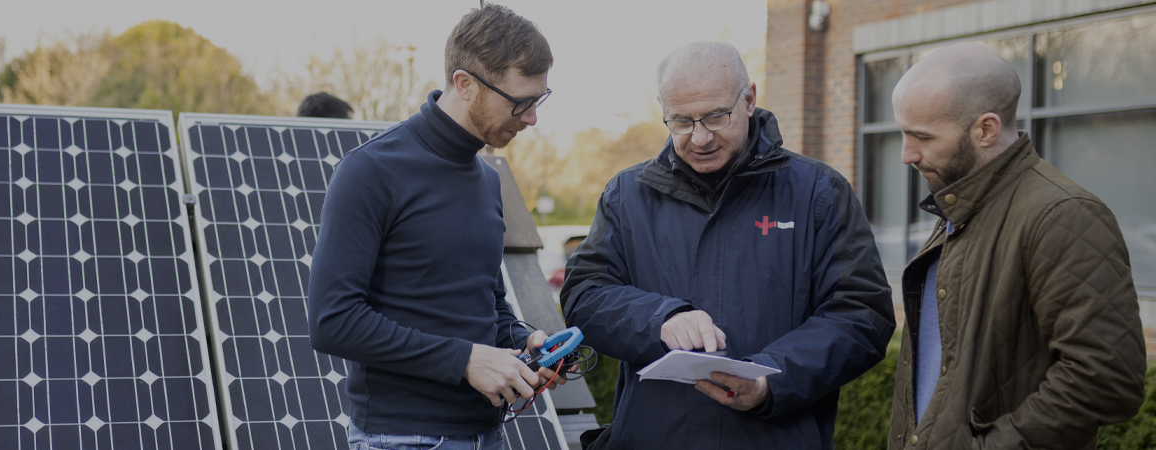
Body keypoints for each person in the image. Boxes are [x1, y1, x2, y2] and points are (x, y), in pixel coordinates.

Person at [561, 41, 895, 449]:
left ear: (750, 99)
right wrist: (659, 320)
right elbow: (584, 295)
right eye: (681, 121)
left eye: (716, 116)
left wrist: (772, 376)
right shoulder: (626, 195)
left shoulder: (819, 193)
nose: (700, 137)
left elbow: (862, 315)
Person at [306, 4, 558, 449]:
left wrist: (524, 341)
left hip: (487, 434)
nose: (532, 118)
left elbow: (486, 301)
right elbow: (332, 321)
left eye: (539, 100)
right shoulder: (371, 170)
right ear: (464, 84)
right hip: (401, 438)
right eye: (520, 102)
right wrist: (463, 360)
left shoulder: (486, 180)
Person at [885, 42, 1145, 450]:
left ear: (986, 130)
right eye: (903, 133)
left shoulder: (1063, 214)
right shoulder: (961, 206)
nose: (906, 154)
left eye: (922, 136)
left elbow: (1108, 379)